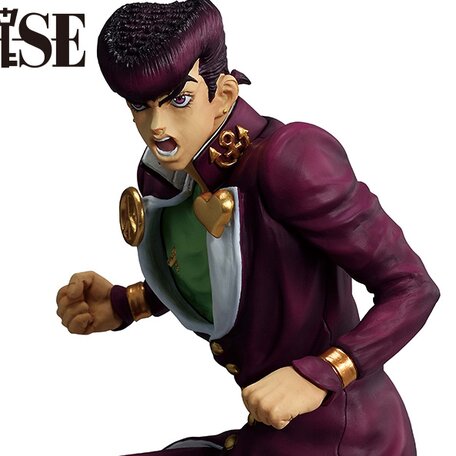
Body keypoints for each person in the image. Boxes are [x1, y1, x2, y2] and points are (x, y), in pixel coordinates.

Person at [56, 1, 440, 454]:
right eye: (140, 105)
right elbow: (229, 274)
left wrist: (324, 372)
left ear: (222, 94)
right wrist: (128, 303)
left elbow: (412, 286)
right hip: (271, 434)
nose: (157, 126)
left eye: (180, 100)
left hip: (348, 437)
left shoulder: (291, 159)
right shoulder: (167, 175)